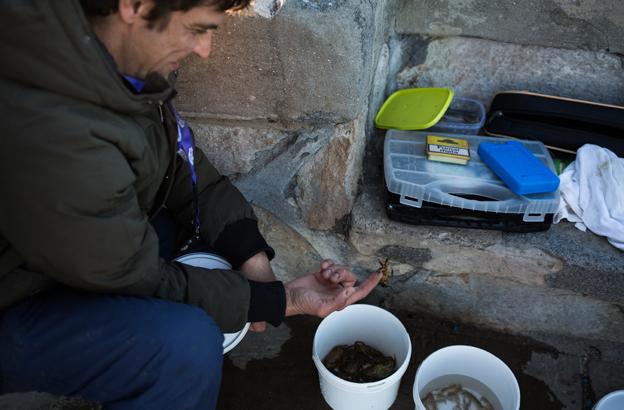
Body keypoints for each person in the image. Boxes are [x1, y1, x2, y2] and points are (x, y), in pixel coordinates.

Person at [0, 0, 382, 409]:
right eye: (198, 29)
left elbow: (184, 168)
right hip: (15, 297)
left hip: (65, 252)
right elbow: (134, 275)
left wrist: (253, 260)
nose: (205, 50)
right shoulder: (53, 129)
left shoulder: (115, 60)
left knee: (208, 239)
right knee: (184, 348)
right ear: (134, 5)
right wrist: (279, 301)